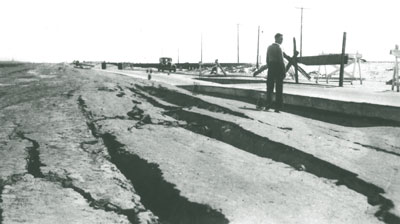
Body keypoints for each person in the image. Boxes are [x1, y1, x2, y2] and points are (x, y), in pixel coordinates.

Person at [265, 33, 286, 112]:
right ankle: (277, 107)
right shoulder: (279, 47)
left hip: (271, 67)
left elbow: (267, 59)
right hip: (278, 67)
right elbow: (281, 61)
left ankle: (268, 105)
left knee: (269, 87)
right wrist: (283, 71)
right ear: (276, 39)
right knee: (279, 88)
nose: (282, 40)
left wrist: (270, 66)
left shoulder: (269, 47)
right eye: (281, 39)